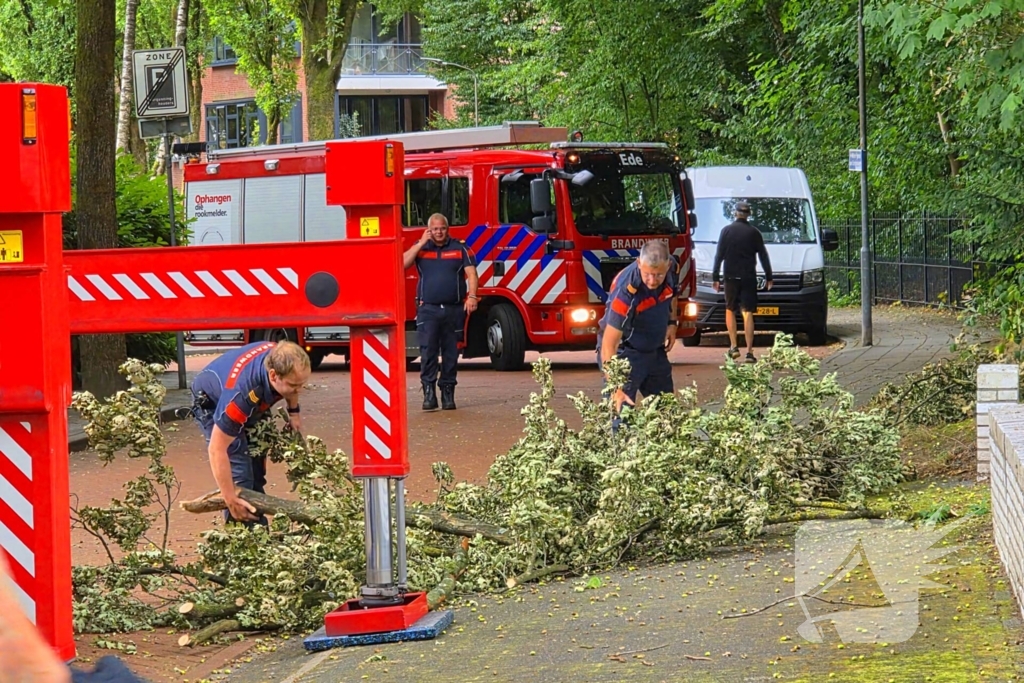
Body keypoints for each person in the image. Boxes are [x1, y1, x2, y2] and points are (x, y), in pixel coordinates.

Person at [190, 341, 310, 524]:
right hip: (212, 401)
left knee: (256, 465)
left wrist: (294, 413)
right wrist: (229, 498)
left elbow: (292, 385)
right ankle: (244, 536)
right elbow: (217, 449)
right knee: (240, 473)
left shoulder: (282, 357)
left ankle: (257, 522)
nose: (299, 390)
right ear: (273, 375)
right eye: (294, 385)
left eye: (303, 384)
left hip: (253, 399)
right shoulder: (239, 397)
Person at [403, 213, 479, 411]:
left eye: (442, 228)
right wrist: (421, 243)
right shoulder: (420, 247)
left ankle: (448, 392)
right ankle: (429, 393)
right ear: (429, 230)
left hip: (453, 309)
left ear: (448, 228)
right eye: (435, 229)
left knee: (451, 353)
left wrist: (472, 296)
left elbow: (472, 273)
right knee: (427, 351)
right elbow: (402, 264)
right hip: (428, 309)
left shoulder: (459, 247)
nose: (439, 232)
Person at [597, 239, 680, 412]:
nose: (652, 281)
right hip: (624, 353)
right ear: (639, 264)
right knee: (621, 416)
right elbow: (609, 343)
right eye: (647, 274)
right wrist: (616, 388)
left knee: (667, 415)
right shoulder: (626, 292)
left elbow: (672, 294)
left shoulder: (672, 268)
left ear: (668, 265)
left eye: (658, 275)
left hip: (655, 351)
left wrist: (672, 323)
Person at [712, 201, 773, 363]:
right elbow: (763, 255)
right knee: (748, 312)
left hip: (730, 277)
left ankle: (733, 346)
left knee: (730, 309)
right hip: (748, 277)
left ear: (735, 213)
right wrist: (769, 276)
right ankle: (750, 352)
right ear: (748, 215)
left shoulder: (726, 231)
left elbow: (719, 255)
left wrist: (715, 277)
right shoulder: (754, 233)